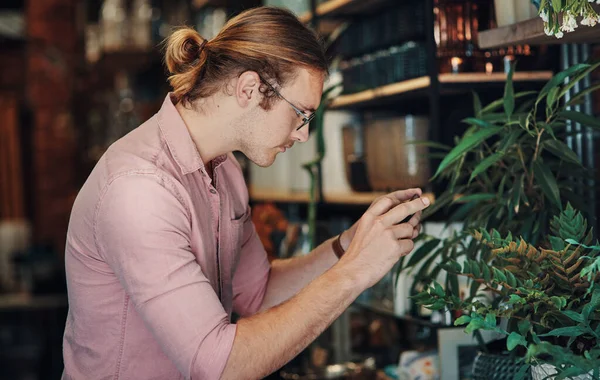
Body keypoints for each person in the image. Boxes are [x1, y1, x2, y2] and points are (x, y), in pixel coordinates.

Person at [61, 6, 430, 380]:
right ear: (249, 89)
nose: (303, 134)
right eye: (301, 114)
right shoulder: (140, 190)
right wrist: (356, 271)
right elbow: (220, 365)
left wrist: (347, 246)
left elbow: (259, 294)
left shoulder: (225, 170)